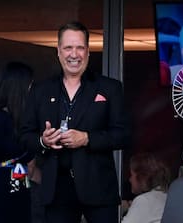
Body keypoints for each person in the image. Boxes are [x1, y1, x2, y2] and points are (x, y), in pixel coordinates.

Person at [20, 21, 127, 223]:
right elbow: (25, 136)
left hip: (99, 189)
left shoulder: (109, 88)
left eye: (79, 47)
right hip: (56, 190)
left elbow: (123, 135)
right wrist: (43, 141)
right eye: (68, 47)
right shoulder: (41, 91)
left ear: (88, 51)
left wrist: (87, 138)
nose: (74, 54)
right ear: (59, 52)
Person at [0, 61, 38, 223]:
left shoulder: (20, 120)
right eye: (29, 85)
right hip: (2, 186)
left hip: (20, 184)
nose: (32, 90)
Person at [122, 153, 172, 223]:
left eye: (131, 175)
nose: (130, 179)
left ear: (142, 177)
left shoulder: (144, 200)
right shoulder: (168, 196)